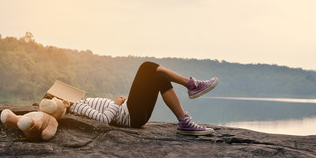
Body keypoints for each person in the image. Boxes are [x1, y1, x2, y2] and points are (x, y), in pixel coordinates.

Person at [69, 61, 219, 135]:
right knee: (146, 66)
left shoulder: (77, 104)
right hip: (131, 115)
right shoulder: (75, 106)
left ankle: (184, 121)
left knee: (159, 78)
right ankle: (192, 85)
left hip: (133, 113)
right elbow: (104, 120)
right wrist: (116, 103)